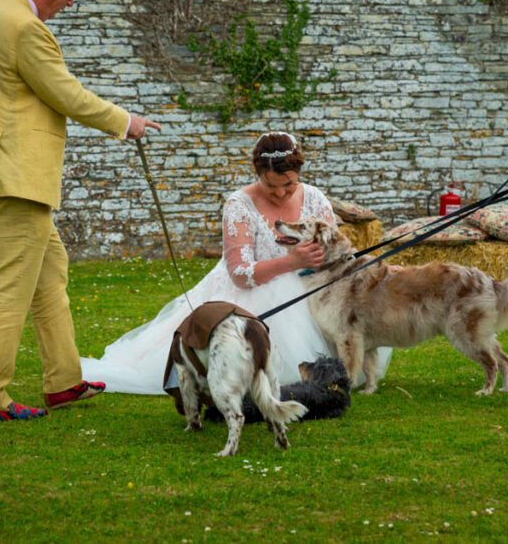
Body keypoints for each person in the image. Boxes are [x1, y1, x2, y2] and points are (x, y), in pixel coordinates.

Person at [0, 0, 161, 422]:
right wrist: (125, 121)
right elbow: (66, 93)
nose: (72, 1)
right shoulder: (25, 28)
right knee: (10, 286)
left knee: (49, 271)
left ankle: (64, 380)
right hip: (15, 175)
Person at [81, 132, 393, 393]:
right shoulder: (239, 204)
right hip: (249, 291)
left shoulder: (314, 197)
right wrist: (291, 261)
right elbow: (241, 274)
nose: (282, 193)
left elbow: (333, 251)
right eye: (272, 187)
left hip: (311, 289)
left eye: (290, 185)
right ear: (258, 175)